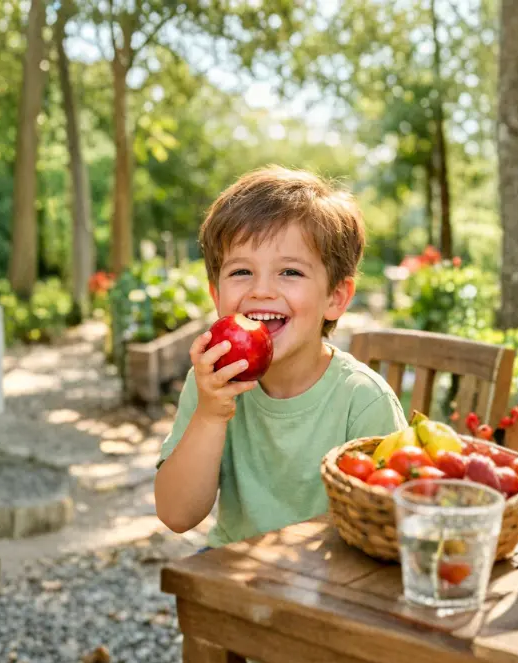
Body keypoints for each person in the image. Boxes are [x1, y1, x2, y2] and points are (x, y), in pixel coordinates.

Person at [154, 165, 407, 551]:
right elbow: (176, 514)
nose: (261, 290)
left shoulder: (363, 401)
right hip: (235, 567)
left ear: (335, 298)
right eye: (241, 271)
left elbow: (393, 522)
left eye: (289, 271)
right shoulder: (213, 385)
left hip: (332, 576)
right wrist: (210, 414)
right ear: (216, 294)